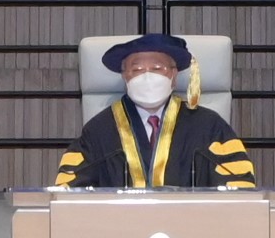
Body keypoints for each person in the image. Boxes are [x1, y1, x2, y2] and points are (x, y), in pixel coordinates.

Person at [53, 33, 257, 189]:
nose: (147, 76)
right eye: (137, 69)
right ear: (124, 76)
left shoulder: (209, 127)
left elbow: (239, 187)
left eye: (158, 68)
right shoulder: (99, 131)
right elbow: (69, 192)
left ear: (174, 75)